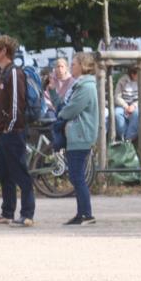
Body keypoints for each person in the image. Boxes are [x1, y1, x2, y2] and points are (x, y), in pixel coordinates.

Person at [0, 35, 35, 227]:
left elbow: (17, 103)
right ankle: (7, 212)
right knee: (5, 174)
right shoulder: (2, 73)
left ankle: (27, 214)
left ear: (4, 51)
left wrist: (9, 127)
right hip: (2, 132)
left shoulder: (14, 72)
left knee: (20, 173)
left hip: (13, 132)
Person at [55, 52, 99, 226]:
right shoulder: (81, 85)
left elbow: (72, 108)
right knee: (75, 175)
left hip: (81, 135)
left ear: (83, 66)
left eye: (74, 64)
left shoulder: (86, 86)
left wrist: (61, 114)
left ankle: (86, 214)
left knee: (77, 176)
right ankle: (82, 213)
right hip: (76, 134)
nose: (71, 66)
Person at [113, 65, 141, 141]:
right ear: (132, 74)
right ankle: (124, 137)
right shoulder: (122, 81)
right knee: (117, 113)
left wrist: (134, 105)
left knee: (138, 113)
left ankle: (128, 140)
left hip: (139, 105)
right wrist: (125, 106)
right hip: (123, 105)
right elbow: (117, 97)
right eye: (137, 74)